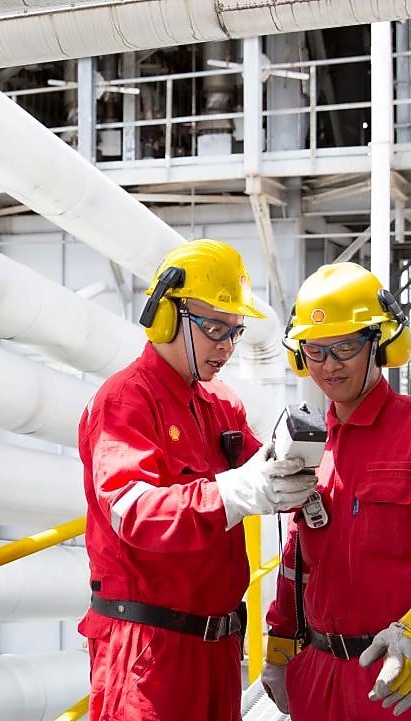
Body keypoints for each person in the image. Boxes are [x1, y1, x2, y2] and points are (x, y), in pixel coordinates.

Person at [78, 239, 317, 721]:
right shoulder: (125, 402)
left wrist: (292, 468)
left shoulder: (217, 402)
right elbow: (134, 514)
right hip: (148, 655)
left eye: (235, 332)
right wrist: (237, 490)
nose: (227, 347)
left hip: (219, 648)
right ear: (166, 317)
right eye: (214, 329)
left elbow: (258, 470)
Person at [261, 262, 411, 720]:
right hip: (319, 677)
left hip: (405, 675)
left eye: (346, 347)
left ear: (380, 343)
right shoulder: (312, 446)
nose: (329, 365)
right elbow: (298, 561)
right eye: (315, 350)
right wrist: (278, 647)